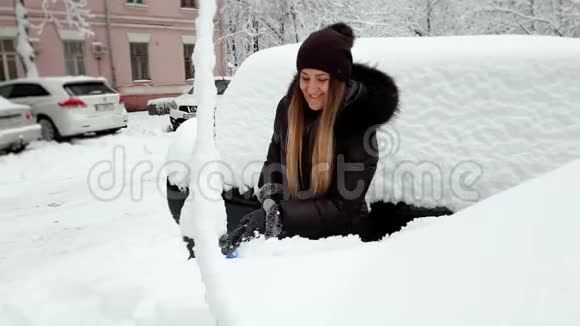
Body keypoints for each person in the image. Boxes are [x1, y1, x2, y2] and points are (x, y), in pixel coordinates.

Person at [219, 22, 399, 255]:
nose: (311, 88)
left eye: (321, 79)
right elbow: (274, 160)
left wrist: (280, 216)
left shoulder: (358, 122)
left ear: (338, 81)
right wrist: (270, 204)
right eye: (305, 77)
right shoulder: (288, 109)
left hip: (341, 245)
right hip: (292, 237)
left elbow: (344, 207)